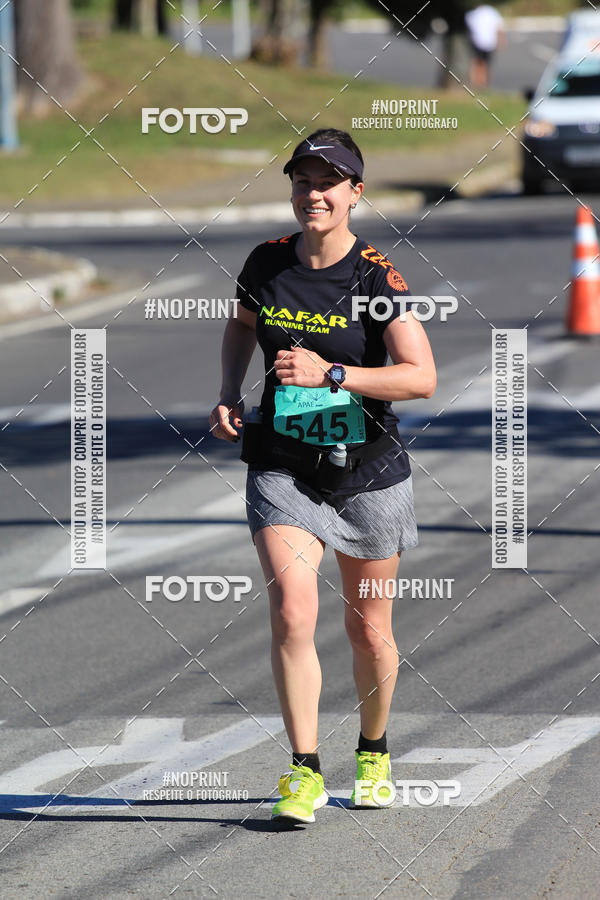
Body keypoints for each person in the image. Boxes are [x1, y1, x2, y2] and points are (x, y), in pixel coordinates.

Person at [209, 128, 436, 824]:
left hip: (367, 474)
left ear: (354, 194)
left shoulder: (375, 275)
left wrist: (333, 373)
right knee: (293, 610)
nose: (314, 193)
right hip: (283, 465)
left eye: (328, 183)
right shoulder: (266, 262)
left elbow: (421, 377)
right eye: (303, 181)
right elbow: (243, 325)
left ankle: (373, 750)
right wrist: (229, 391)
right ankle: (303, 769)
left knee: (368, 630)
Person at [465, 4, 505, 89]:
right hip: (485, 42)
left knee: (479, 62)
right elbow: (499, 27)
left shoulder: (476, 12)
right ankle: (479, 82)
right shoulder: (491, 11)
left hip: (482, 42)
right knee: (482, 63)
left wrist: (500, 40)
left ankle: (480, 82)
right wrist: (501, 41)